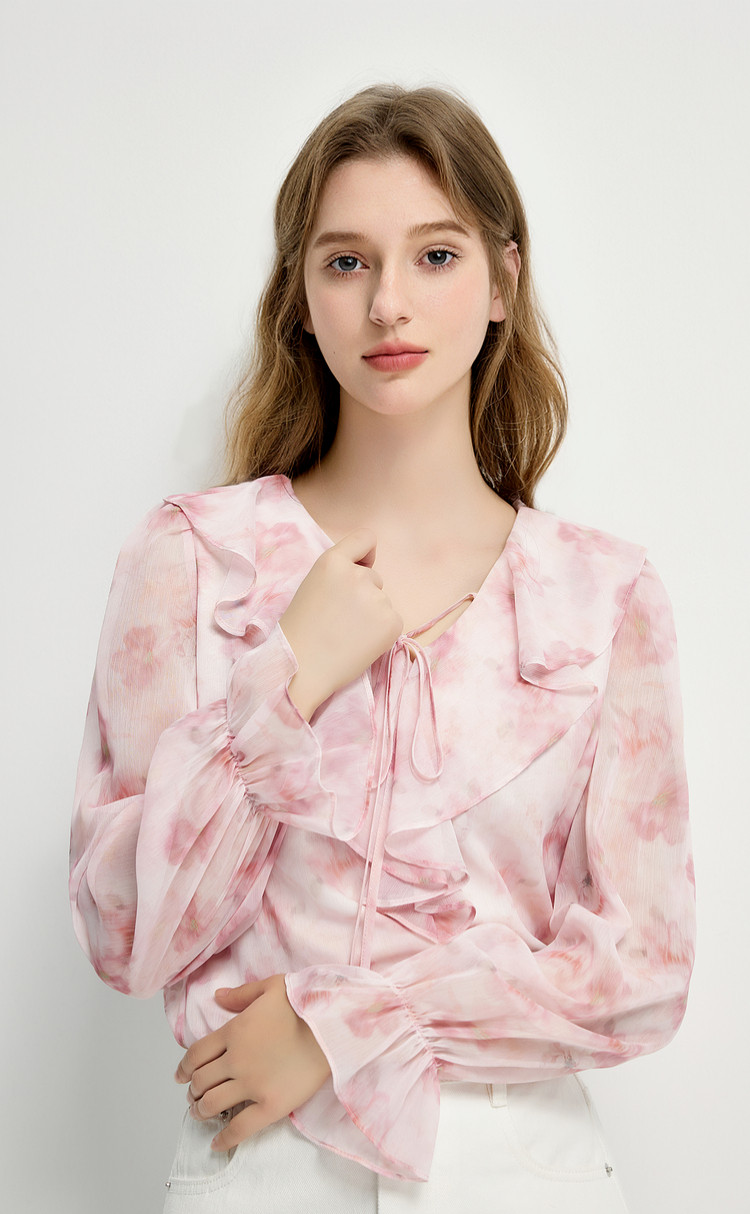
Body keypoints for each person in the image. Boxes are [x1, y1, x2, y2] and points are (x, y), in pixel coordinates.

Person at [69, 84, 696, 1213]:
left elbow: (645, 971)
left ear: (503, 281)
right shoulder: (191, 561)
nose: (389, 303)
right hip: (260, 1168)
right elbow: (126, 935)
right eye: (347, 262)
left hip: (522, 1169)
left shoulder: (606, 595)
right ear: (302, 298)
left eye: (436, 256)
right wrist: (285, 681)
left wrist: (346, 1024)